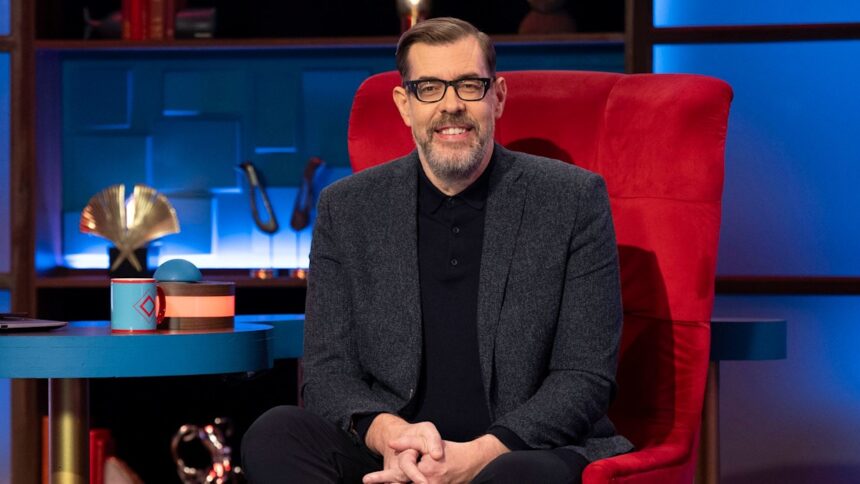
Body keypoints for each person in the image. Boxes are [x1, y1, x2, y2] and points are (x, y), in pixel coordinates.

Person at [242, 17, 632, 484]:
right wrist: (389, 435)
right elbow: (328, 375)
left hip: (518, 450)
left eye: (469, 85)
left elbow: (585, 376)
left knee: (520, 475)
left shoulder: (572, 199)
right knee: (274, 434)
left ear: (497, 97)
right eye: (429, 88)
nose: (451, 105)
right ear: (404, 105)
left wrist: (480, 455)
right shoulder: (347, 208)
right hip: (393, 453)